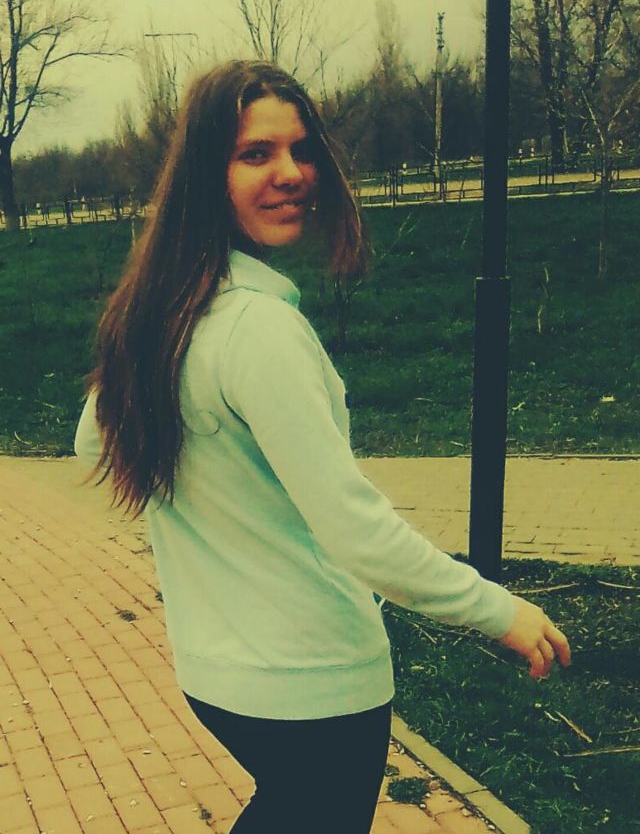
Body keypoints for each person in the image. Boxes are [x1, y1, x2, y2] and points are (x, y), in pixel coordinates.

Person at [74, 59, 571, 834]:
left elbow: (90, 444)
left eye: (301, 150)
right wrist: (497, 610)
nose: (291, 173)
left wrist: (225, 509)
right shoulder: (257, 329)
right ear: (205, 174)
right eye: (255, 153)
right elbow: (356, 529)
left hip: (217, 676)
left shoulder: (164, 313)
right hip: (315, 682)